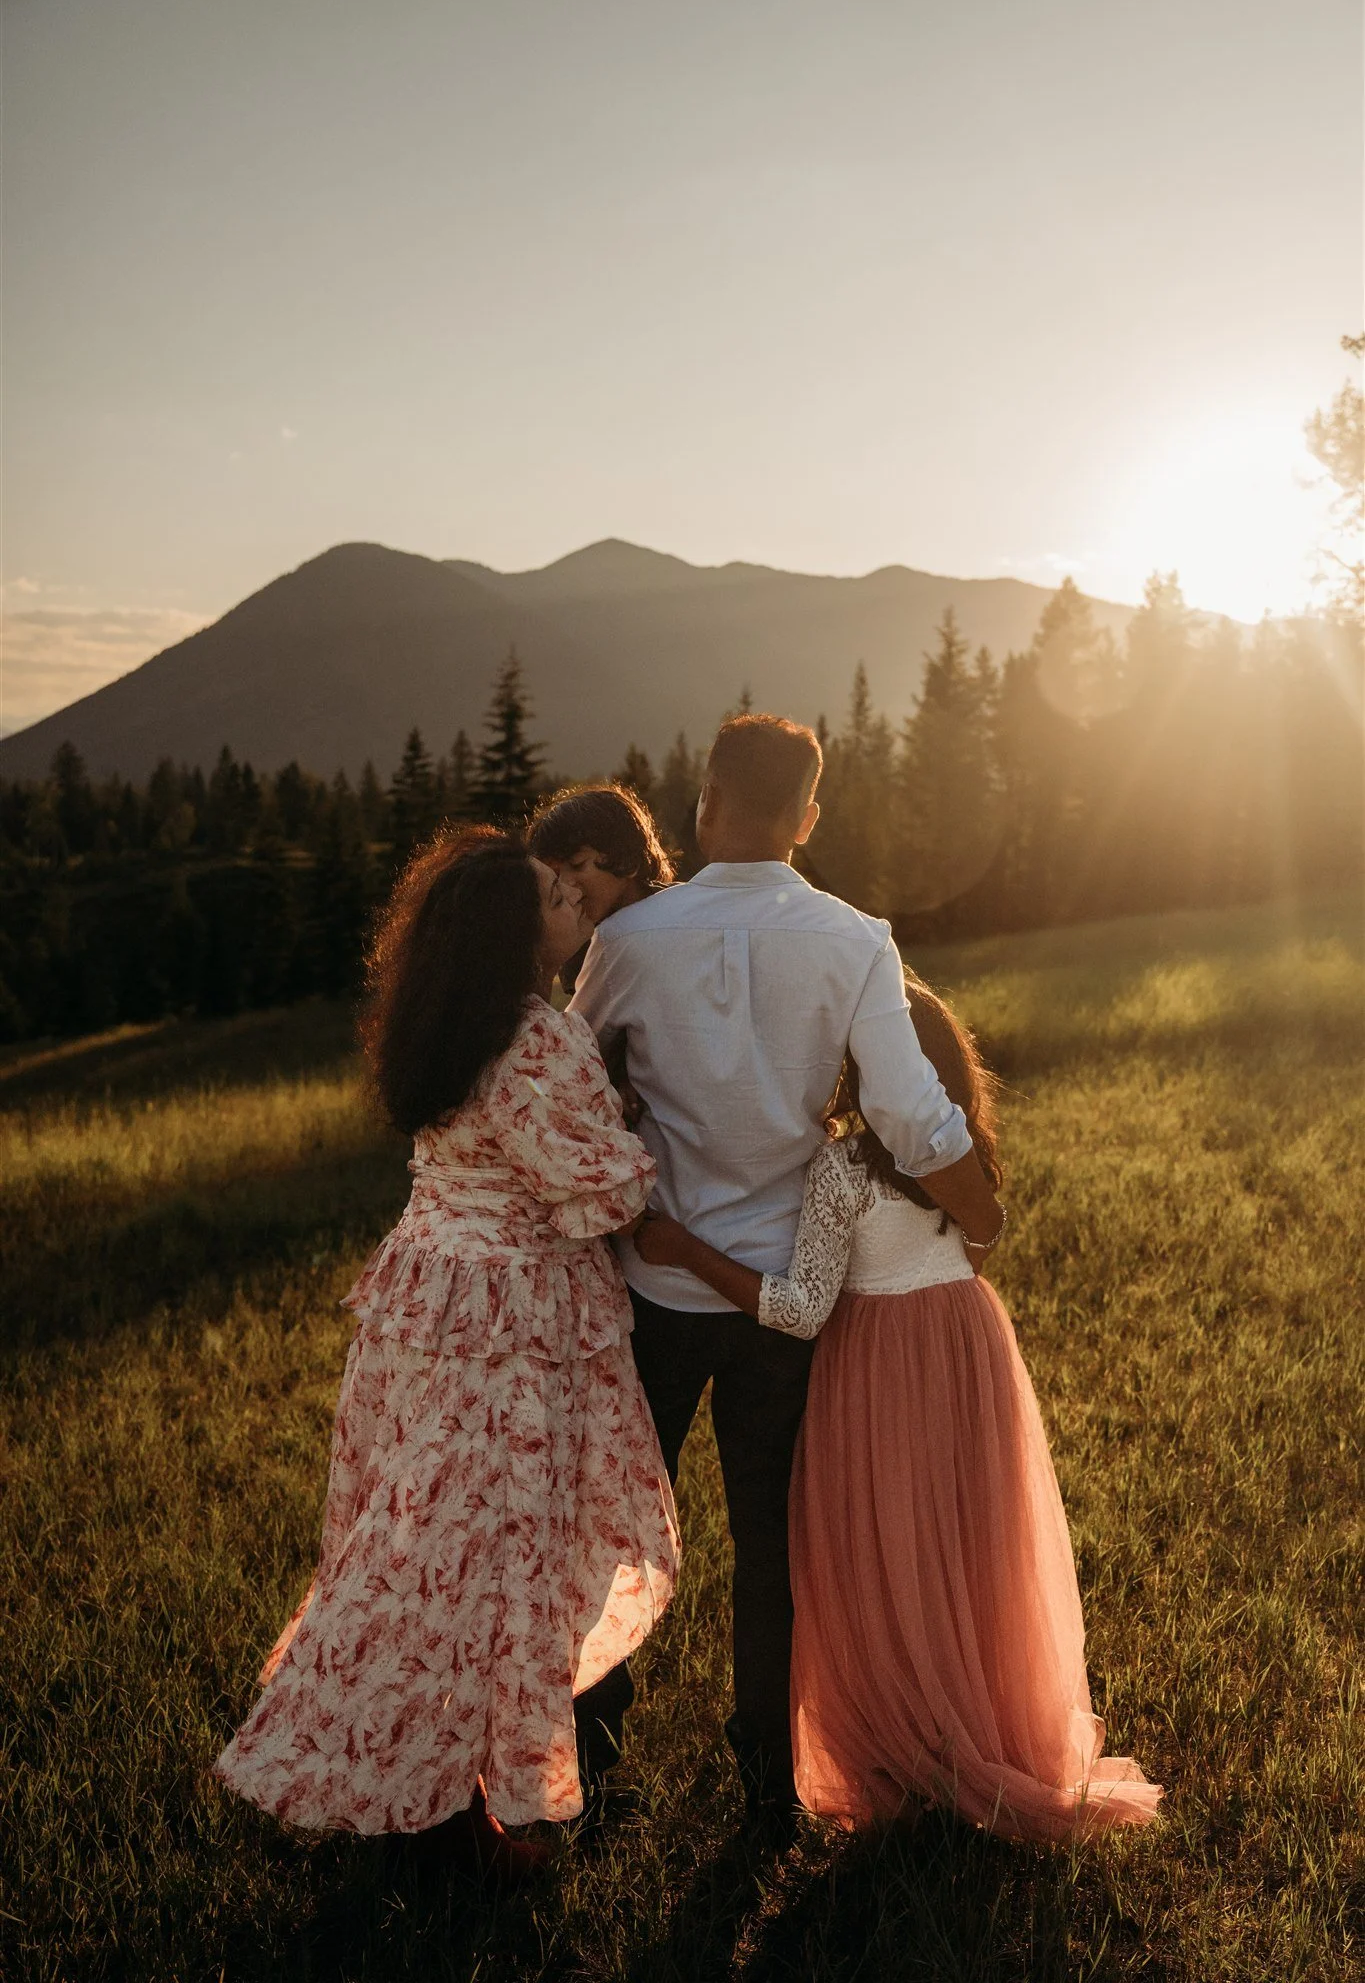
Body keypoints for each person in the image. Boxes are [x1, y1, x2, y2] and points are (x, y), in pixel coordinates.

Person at [569, 714, 1004, 1839]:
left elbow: (570, 1085)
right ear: (807, 819)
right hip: (786, 1294)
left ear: (705, 803)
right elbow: (906, 1110)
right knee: (776, 1544)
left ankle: (587, 1763)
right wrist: (980, 1211)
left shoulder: (627, 940)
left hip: (652, 1285)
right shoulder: (856, 939)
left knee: (612, 1528)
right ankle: (767, 1780)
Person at [215, 828, 679, 1880]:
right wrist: (635, 1129)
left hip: (424, 1301)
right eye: (556, 894)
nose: (576, 900)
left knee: (417, 1545)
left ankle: (421, 1783)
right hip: (511, 1320)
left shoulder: (440, 1025)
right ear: (514, 935)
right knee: (506, 1556)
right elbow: (602, 1189)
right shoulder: (540, 1039)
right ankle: (465, 1805)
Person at [634, 980, 1162, 1842]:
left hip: (880, 1365)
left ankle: (915, 1734)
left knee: (889, 1549)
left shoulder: (842, 1168)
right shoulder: (961, 1152)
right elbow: (980, 1242)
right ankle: (979, 1721)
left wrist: (684, 1248)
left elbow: (802, 1308)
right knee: (968, 1544)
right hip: (963, 1347)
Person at [528, 782, 675, 993]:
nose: (566, 884)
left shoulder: (681, 914)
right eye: (556, 876)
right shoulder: (579, 943)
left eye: (577, 865)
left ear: (626, 860)